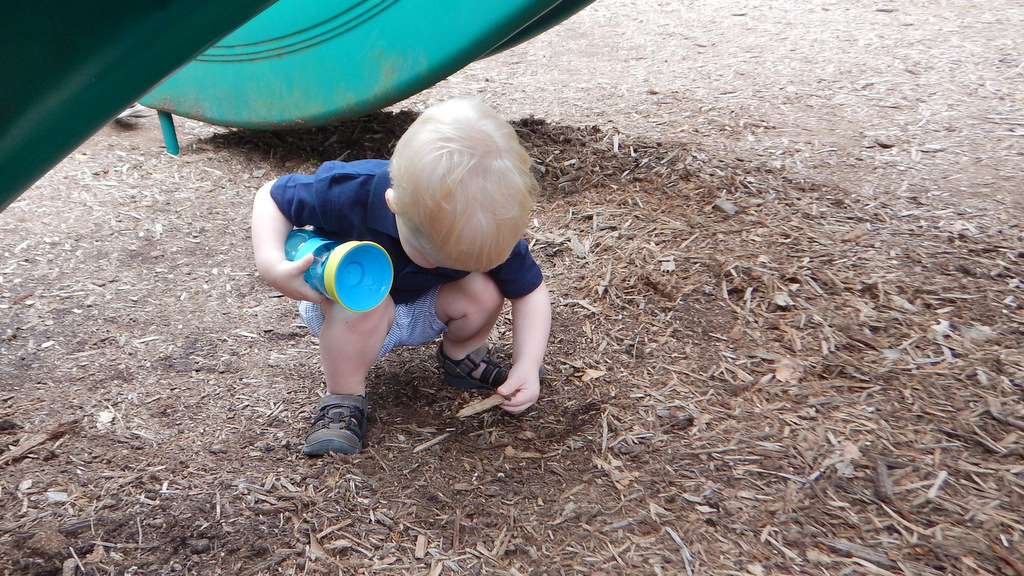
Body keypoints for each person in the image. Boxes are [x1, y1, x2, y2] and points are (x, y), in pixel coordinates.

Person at [251, 98, 551, 456]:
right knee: (368, 304)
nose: (437, 266)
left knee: (484, 291)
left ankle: (461, 356)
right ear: (393, 204)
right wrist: (271, 265)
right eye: (434, 256)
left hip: (424, 303)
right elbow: (271, 196)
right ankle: (343, 397)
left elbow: (530, 292)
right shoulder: (348, 190)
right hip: (345, 309)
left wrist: (528, 363)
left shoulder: (486, 224)